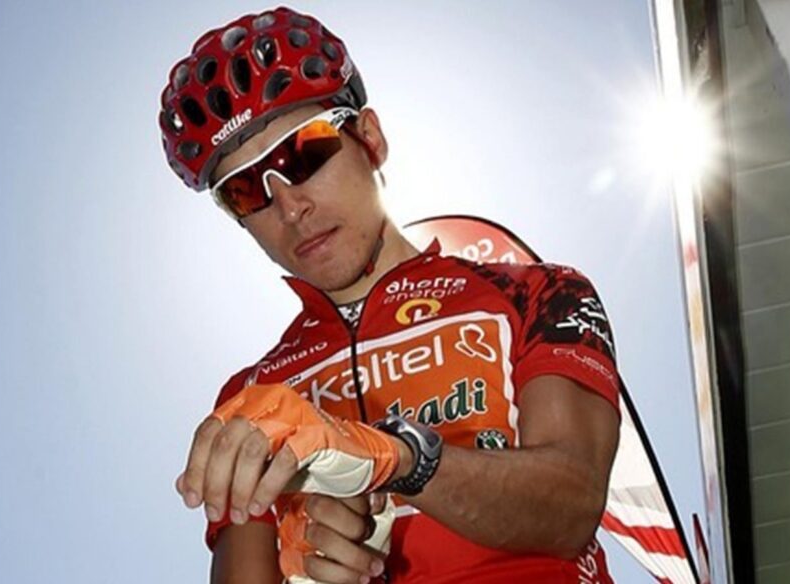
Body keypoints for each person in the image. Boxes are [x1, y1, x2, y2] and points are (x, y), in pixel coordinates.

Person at [159, 7, 621, 583]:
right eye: (246, 190)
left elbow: (572, 504)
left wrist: (395, 458)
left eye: (304, 154)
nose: (291, 208)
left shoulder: (539, 293)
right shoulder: (251, 396)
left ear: (370, 139)